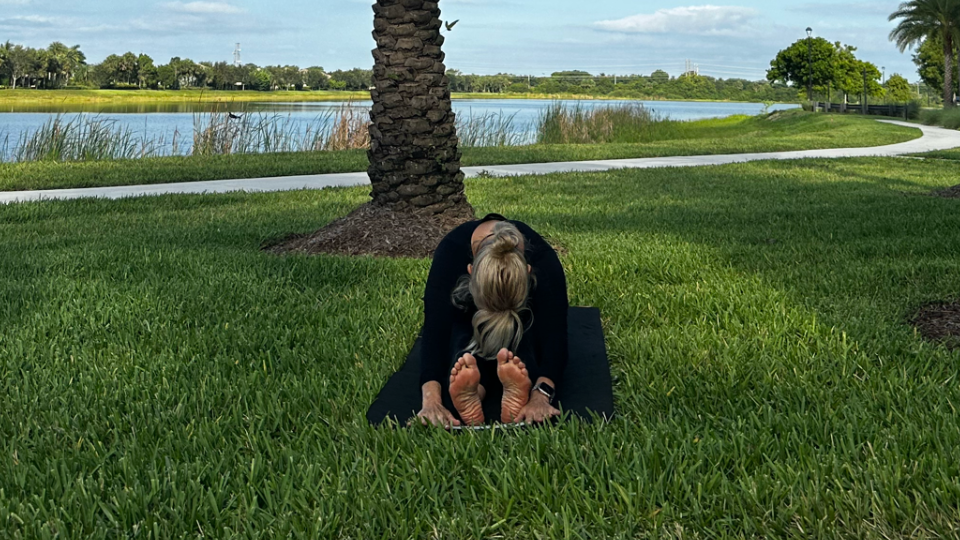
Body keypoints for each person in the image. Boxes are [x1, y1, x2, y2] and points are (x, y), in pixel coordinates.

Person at [416, 212, 569, 427]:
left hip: (522, 322)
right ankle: (473, 391)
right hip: (470, 321)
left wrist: (540, 396)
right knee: (461, 342)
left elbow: (555, 335)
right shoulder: (450, 255)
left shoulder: (544, 261)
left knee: (528, 337)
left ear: (528, 271)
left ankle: (516, 383)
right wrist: (431, 402)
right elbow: (435, 332)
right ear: (470, 272)